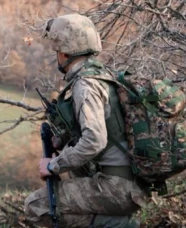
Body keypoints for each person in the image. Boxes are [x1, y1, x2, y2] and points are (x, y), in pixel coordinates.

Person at [24, 14, 150, 227]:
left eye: (57, 52)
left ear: (64, 53)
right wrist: (62, 140)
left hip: (117, 187)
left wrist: (54, 165)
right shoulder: (103, 75)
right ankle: (114, 220)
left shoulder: (86, 86)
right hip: (129, 184)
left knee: (37, 206)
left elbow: (94, 141)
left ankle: (117, 224)